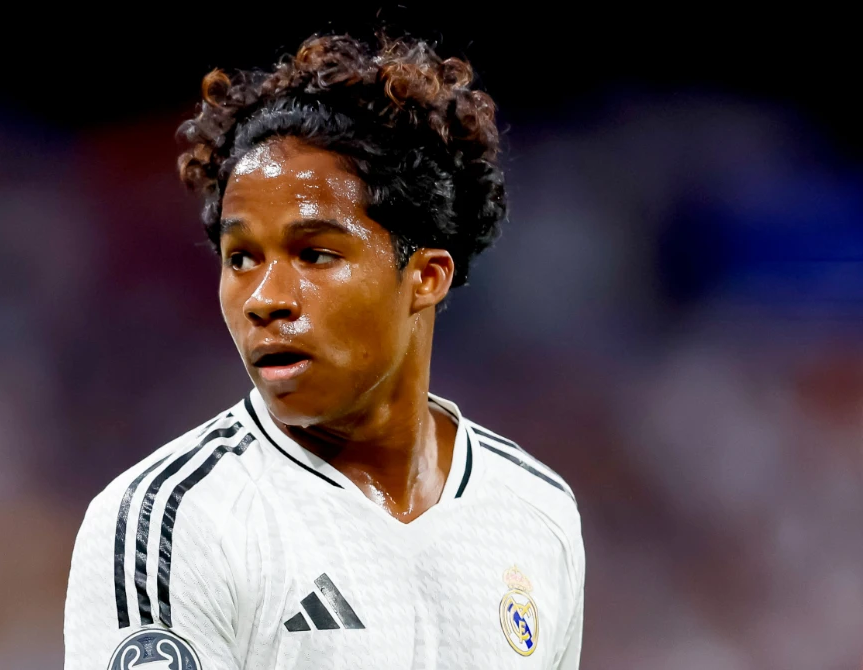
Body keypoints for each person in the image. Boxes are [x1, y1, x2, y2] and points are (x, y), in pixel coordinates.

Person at [65, 32, 584, 669]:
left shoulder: (536, 511)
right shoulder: (173, 524)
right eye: (241, 258)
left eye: (314, 254)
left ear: (426, 276)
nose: (265, 299)